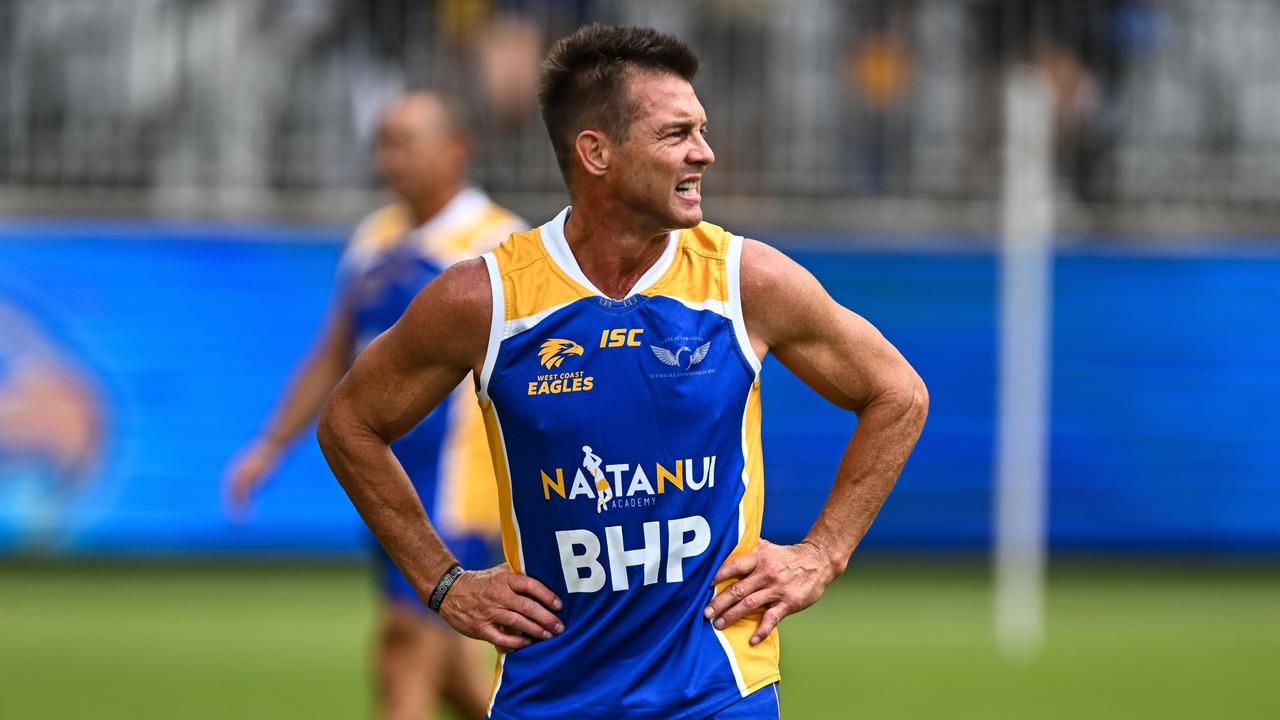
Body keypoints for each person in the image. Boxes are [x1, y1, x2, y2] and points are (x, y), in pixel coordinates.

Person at [317, 25, 928, 720]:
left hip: (718, 691)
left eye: (701, 129)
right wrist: (443, 581)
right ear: (596, 152)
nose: (706, 152)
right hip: (546, 695)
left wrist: (822, 554)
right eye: (676, 134)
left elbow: (898, 393)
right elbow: (349, 422)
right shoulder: (486, 299)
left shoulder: (742, 281)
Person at [223, 92, 525, 720]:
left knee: (404, 648)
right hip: (383, 482)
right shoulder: (375, 236)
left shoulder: (500, 244)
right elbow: (335, 353)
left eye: (403, 142)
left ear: (455, 151)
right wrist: (272, 444)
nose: (388, 159)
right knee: (448, 667)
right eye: (383, 143)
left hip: (456, 492)